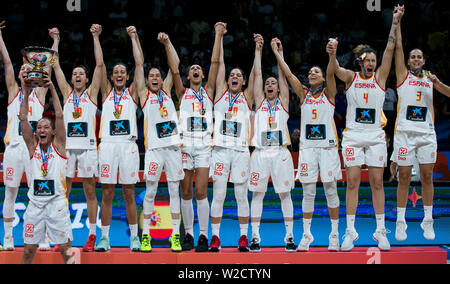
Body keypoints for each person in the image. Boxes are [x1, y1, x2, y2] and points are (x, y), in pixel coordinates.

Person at [328, 5, 404, 251]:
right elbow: (335, 71)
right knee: (351, 182)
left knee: (377, 183)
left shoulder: (381, 78)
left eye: (374, 59)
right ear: (361, 62)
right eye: (368, 60)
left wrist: (395, 21)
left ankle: (380, 231)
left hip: (375, 137)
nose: (371, 62)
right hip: (352, 137)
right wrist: (332, 54)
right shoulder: (351, 77)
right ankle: (350, 232)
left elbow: (390, 48)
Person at [272, 37, 342, 252]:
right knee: (308, 192)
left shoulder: (329, 93)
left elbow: (331, 72)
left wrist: (332, 54)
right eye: (310, 72)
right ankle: (307, 234)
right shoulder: (303, 94)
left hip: (328, 148)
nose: (312, 74)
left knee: (331, 191)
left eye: (316, 72)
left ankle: (334, 234)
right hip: (308, 149)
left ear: (322, 78)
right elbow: (289, 74)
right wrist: (278, 53)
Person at [164, 23, 223, 252]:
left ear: (202, 75)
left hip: (204, 147)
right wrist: (168, 44)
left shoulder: (208, 91)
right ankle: (188, 234)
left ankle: (204, 236)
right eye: (192, 69)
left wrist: (218, 35)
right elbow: (175, 69)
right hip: (185, 145)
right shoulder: (183, 92)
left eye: (199, 68)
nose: (196, 70)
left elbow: (216, 63)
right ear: (189, 76)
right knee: (186, 192)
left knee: (200, 192)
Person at [393, 6, 450, 242]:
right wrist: (398, 21)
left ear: (424, 61)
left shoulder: (430, 80)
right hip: (405, 134)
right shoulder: (402, 76)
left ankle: (428, 220)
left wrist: (438, 83)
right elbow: (397, 47)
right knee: (404, 176)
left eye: (419, 56)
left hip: (426, 135)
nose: (416, 59)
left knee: (427, 176)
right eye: (412, 56)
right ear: (408, 61)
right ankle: (400, 221)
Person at [0, 20, 55, 251]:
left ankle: (41, 237)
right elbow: (6, 62)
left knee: (39, 194)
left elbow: (49, 67)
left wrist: (55, 41)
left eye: (27, 70)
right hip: (13, 149)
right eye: (20, 70)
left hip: (34, 151)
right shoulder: (14, 92)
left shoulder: (40, 95)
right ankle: (9, 237)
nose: (23, 72)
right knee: (10, 193)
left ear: (33, 73)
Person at [129, 26, 184, 253]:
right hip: (153, 151)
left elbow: (176, 66)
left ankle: (176, 236)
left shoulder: (168, 91)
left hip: (172, 150)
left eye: (157, 76)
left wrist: (167, 43)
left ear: (162, 81)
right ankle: (145, 237)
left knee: (173, 192)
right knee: (150, 192)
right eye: (151, 76)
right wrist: (135, 37)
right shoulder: (143, 95)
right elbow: (139, 64)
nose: (154, 78)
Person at [48, 24, 103, 252]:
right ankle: (62, 236)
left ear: (87, 80)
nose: (77, 76)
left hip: (89, 149)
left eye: (81, 74)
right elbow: (55, 64)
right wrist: (56, 40)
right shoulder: (68, 94)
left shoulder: (91, 96)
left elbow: (100, 65)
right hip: (68, 150)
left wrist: (95, 37)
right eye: (75, 74)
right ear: (71, 79)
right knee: (64, 193)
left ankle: (91, 235)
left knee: (90, 192)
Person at [19, 73, 74, 264]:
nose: (42, 130)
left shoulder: (59, 146)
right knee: (27, 252)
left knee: (66, 252)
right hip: (35, 205)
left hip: (57, 204)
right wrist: (25, 94)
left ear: (52, 132)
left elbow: (59, 115)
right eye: (39, 127)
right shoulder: (32, 147)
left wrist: (52, 88)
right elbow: (24, 119)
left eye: (45, 127)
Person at [209, 22, 255, 252]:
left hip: (240, 152)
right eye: (232, 75)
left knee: (240, 195)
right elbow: (218, 64)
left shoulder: (247, 98)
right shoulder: (219, 94)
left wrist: (258, 50)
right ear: (227, 80)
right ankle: (215, 238)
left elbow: (257, 74)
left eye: (239, 75)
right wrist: (219, 36)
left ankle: (243, 237)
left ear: (244, 82)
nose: (234, 76)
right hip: (219, 150)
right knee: (218, 194)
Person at [95, 26, 140, 252]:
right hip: (108, 146)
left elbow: (140, 64)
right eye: (116, 72)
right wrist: (96, 37)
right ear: (112, 77)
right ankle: (104, 238)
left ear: (127, 76)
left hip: (128, 146)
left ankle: (134, 237)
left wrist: (133, 37)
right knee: (107, 192)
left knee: (129, 192)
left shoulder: (133, 93)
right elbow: (100, 65)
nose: (120, 74)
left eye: (123, 71)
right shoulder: (105, 92)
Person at [248, 35, 296, 253]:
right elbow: (257, 75)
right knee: (257, 195)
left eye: (273, 84)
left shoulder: (284, 103)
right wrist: (258, 50)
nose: (269, 84)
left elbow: (284, 76)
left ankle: (289, 237)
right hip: (259, 153)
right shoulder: (258, 103)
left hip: (280, 154)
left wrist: (280, 52)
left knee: (285, 194)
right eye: (268, 83)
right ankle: (255, 237)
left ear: (277, 90)